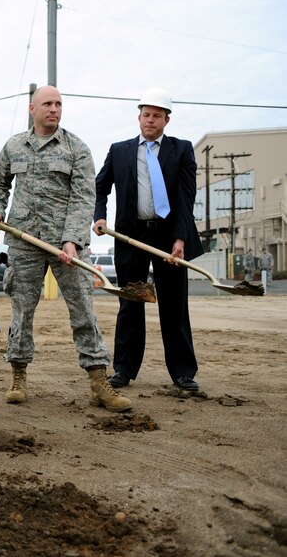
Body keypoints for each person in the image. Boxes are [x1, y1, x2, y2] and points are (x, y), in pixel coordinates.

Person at [0, 85, 131, 413]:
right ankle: (18, 376)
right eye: (48, 104)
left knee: (83, 310)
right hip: (24, 241)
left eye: (59, 104)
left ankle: (98, 381)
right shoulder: (13, 146)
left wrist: (72, 240)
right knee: (22, 312)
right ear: (32, 109)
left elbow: (84, 197)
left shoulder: (76, 148)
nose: (54, 109)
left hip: (66, 245)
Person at [94, 87, 202, 392]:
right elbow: (100, 187)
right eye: (146, 114)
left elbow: (186, 197)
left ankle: (183, 372)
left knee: (174, 305)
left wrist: (180, 237)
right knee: (130, 303)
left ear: (167, 120)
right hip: (131, 236)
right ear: (139, 117)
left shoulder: (181, 150)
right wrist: (99, 216)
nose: (150, 120)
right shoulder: (120, 150)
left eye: (157, 115)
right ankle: (124, 370)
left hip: (168, 236)